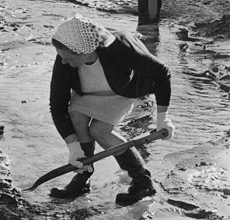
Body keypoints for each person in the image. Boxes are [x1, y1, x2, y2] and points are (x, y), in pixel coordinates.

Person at [47, 14, 176, 206]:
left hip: (121, 92)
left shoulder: (120, 47)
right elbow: (57, 104)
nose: (64, 62)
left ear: (85, 50)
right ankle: (83, 176)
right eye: (62, 57)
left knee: (99, 132)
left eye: (69, 58)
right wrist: (73, 147)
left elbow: (162, 73)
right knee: (76, 119)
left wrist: (162, 119)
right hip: (88, 95)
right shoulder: (64, 58)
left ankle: (142, 180)